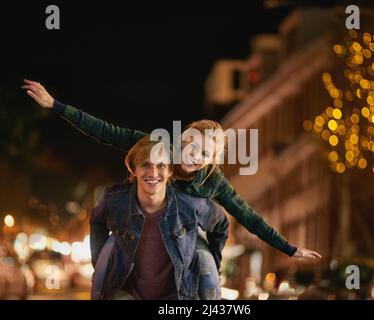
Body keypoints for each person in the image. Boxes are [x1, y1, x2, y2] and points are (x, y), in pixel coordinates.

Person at [22, 79, 322, 261]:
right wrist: (56, 105)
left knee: (205, 263)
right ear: (181, 139)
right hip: (141, 218)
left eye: (204, 153)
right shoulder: (158, 146)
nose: (193, 155)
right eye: (191, 146)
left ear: (211, 161)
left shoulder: (213, 181)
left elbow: (248, 216)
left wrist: (289, 248)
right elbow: (106, 131)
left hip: (183, 235)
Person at [90, 136, 229, 300]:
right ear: (134, 169)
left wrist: (212, 263)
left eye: (161, 165)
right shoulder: (114, 200)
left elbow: (221, 224)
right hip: (127, 294)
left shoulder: (190, 205)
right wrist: (100, 261)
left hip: (178, 296)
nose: (153, 173)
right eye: (145, 165)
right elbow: (97, 222)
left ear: (170, 170)